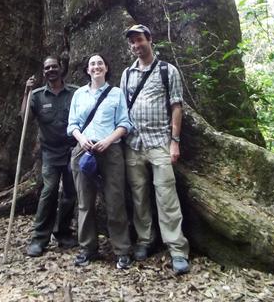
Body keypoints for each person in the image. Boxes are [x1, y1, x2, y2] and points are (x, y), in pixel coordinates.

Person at [120, 24, 190, 275]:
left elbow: (176, 106)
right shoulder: (127, 73)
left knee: (166, 196)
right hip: (133, 144)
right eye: (132, 42)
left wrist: (175, 141)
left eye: (139, 40)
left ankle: (177, 249)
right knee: (139, 195)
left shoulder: (166, 70)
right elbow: (123, 108)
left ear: (150, 40)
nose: (136, 45)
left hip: (160, 142)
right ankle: (145, 240)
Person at [67, 53, 133, 269]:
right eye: (92, 64)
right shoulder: (79, 94)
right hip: (83, 151)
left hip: (110, 150)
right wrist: (82, 138)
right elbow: (72, 124)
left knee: (115, 200)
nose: (96, 67)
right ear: (87, 70)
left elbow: (125, 124)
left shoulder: (116, 94)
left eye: (100, 64)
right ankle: (88, 248)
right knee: (85, 202)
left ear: (106, 68)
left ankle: (122, 250)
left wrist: (108, 140)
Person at [22, 56, 77, 257]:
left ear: (60, 68)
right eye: (47, 68)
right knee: (49, 191)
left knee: (71, 193)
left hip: (72, 151)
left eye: (54, 66)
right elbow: (25, 119)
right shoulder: (37, 95)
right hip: (50, 153)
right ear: (43, 72)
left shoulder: (75, 92)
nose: (51, 70)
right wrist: (26, 92)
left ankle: (63, 233)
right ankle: (39, 238)